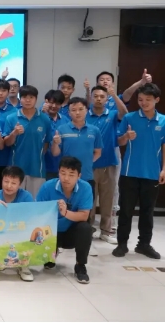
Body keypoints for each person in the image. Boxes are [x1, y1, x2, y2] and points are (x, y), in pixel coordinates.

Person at [112, 83, 165, 260]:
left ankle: (144, 244)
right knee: (126, 210)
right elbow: (119, 141)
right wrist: (126, 137)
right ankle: (122, 244)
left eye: (148, 99)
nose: (144, 103)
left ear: (157, 100)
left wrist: (164, 169)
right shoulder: (130, 118)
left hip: (152, 173)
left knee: (147, 211)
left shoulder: (163, 121)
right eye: (141, 99)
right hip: (129, 173)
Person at [50, 97, 102, 256]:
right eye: (73, 110)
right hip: (66, 180)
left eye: (80, 109)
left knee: (85, 216)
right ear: (68, 112)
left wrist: (86, 165)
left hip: (86, 178)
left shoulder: (94, 130)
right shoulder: (62, 129)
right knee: (60, 212)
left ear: (87, 110)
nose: (77, 112)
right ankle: (56, 244)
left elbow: (98, 152)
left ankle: (83, 247)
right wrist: (55, 143)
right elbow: (55, 153)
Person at [37, 156, 93, 284]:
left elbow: (84, 215)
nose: (66, 178)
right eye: (63, 173)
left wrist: (66, 213)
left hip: (71, 233)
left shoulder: (85, 188)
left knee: (85, 228)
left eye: (71, 174)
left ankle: (80, 265)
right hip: (51, 232)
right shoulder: (47, 187)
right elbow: (38, 212)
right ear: (58, 172)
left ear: (79, 176)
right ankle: (51, 252)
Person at [87, 85, 126, 245]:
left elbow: (124, 113)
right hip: (89, 165)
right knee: (89, 201)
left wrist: (114, 96)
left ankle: (105, 231)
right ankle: (87, 230)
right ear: (91, 97)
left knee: (107, 200)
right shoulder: (85, 115)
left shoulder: (113, 114)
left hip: (109, 164)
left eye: (102, 96)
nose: (98, 99)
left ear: (106, 99)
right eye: (95, 96)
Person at [0, 165, 34, 281]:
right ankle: (0, 260)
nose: (8, 186)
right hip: (0, 232)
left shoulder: (26, 197)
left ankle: (24, 266)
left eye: (13, 183)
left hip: (20, 231)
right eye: (6, 181)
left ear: (20, 184)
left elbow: (31, 218)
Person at [3, 85, 52, 198]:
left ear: (36, 99)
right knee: (14, 201)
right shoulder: (11, 118)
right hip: (15, 168)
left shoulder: (45, 119)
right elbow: (7, 143)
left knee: (35, 203)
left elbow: (46, 144)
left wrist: (37, 155)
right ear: (20, 99)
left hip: (37, 169)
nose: (28, 100)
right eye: (25, 97)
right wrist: (14, 133)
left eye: (31, 97)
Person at [42, 90, 70, 179]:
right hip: (42, 166)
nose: (54, 106)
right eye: (51, 102)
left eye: (57, 103)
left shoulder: (66, 120)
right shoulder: (38, 117)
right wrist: (42, 114)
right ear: (46, 102)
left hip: (61, 166)